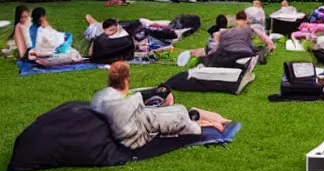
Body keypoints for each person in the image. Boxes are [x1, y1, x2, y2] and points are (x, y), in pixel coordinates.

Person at [90, 62, 232, 149]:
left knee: (173, 112)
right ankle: (199, 116)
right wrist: (204, 126)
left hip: (140, 121)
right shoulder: (121, 103)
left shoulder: (103, 97)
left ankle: (198, 116)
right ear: (126, 80)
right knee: (181, 115)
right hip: (140, 130)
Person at [203, 10, 276, 68]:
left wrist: (211, 53)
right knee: (262, 49)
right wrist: (271, 45)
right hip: (245, 52)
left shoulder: (228, 31)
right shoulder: (250, 28)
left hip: (229, 52)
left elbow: (218, 45)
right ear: (246, 20)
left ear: (236, 20)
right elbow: (263, 36)